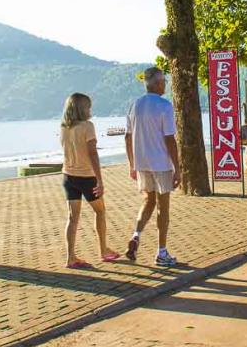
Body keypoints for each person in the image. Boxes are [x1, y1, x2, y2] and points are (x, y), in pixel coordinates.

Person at [124, 67, 181, 267]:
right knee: (163, 207)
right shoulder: (164, 106)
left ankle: (136, 234)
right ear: (157, 83)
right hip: (161, 163)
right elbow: (169, 139)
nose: (165, 84)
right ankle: (162, 252)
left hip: (142, 162)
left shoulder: (134, 105)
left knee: (148, 201)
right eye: (164, 81)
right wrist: (178, 168)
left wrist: (132, 164)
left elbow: (127, 137)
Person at [59, 93, 120, 269]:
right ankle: (103, 250)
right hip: (86, 177)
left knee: (72, 217)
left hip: (68, 177)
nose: (90, 110)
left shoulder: (64, 127)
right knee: (100, 211)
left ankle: (70, 257)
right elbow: (93, 153)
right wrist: (99, 180)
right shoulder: (88, 126)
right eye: (88, 106)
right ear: (82, 108)